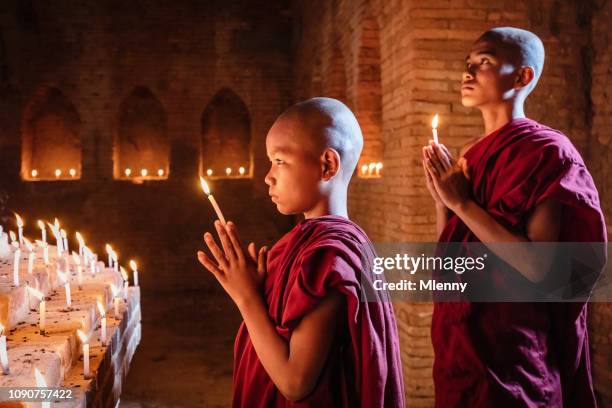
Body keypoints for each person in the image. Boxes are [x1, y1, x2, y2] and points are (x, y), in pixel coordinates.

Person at [423, 27, 607, 406]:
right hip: (462, 346)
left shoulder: (545, 152)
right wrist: (443, 201)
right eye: (467, 64)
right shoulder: (470, 155)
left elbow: (541, 270)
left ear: (523, 77)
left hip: (515, 351)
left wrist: (463, 205)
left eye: (484, 61)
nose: (468, 73)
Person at [198, 97, 405, 407]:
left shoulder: (328, 257)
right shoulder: (308, 243)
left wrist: (246, 297)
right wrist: (259, 289)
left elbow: (296, 382)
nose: (268, 176)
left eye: (280, 161)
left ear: (327, 165)